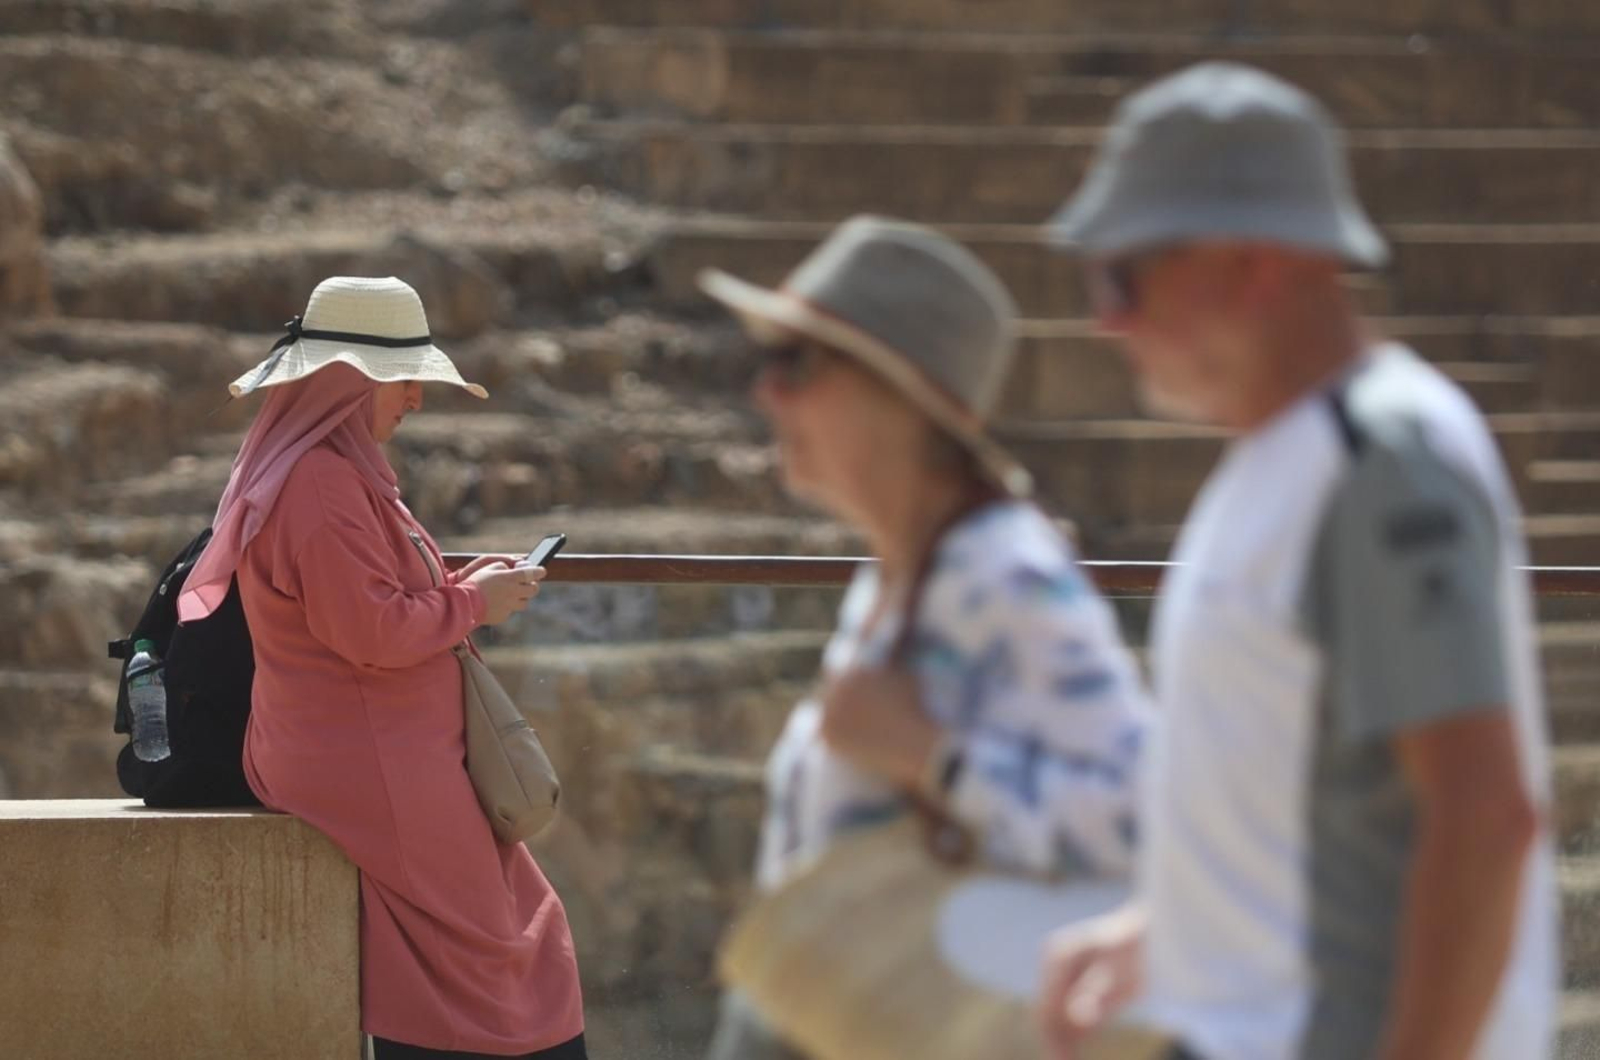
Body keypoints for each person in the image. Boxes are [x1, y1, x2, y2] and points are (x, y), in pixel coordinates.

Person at [1037, 63, 1558, 1060]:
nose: (1107, 318)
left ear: (1253, 263)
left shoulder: (1379, 463)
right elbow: (1306, 803)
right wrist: (1162, 936)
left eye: (1125, 275)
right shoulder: (1284, 463)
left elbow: (1481, 814)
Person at [696, 215, 1151, 1059]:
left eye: (797, 363)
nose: (768, 393)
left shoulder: (1002, 575)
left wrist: (937, 760)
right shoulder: (903, 569)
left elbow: (1144, 821)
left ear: (900, 395)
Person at [176, 275, 587, 1060]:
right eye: (405, 382)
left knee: (477, 939)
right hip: (367, 753)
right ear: (349, 382)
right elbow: (367, 631)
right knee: (499, 945)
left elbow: (363, 605)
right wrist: (475, 607)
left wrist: (466, 588)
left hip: (369, 742)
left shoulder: (329, 471)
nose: (416, 401)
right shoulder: (323, 484)